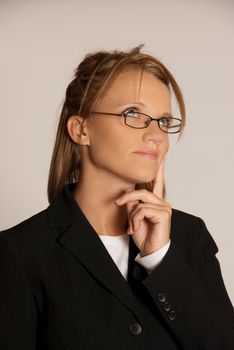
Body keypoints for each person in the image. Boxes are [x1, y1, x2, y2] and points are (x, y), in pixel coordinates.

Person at [0, 45, 233, 350]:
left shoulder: (190, 236)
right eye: (133, 113)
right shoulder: (21, 251)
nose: (156, 135)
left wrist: (160, 258)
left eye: (163, 120)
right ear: (81, 129)